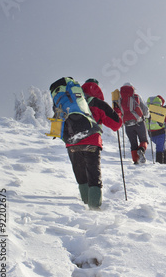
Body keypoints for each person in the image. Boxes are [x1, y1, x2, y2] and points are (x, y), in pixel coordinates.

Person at [50, 77, 122, 210]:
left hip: (71, 143)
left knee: (81, 175)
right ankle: (94, 208)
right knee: (94, 174)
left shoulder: (71, 102)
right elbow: (116, 124)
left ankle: (84, 207)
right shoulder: (97, 103)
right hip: (92, 142)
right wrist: (117, 110)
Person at [119, 83, 149, 164]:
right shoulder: (137, 97)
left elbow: (118, 112)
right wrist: (147, 116)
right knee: (143, 140)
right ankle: (141, 150)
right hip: (139, 122)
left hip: (128, 125)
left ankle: (136, 161)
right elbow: (145, 111)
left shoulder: (119, 99)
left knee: (133, 143)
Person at [146, 95, 166, 163]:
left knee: (161, 146)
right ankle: (160, 163)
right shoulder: (162, 111)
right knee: (160, 147)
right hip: (160, 132)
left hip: (150, 133)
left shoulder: (147, 111)